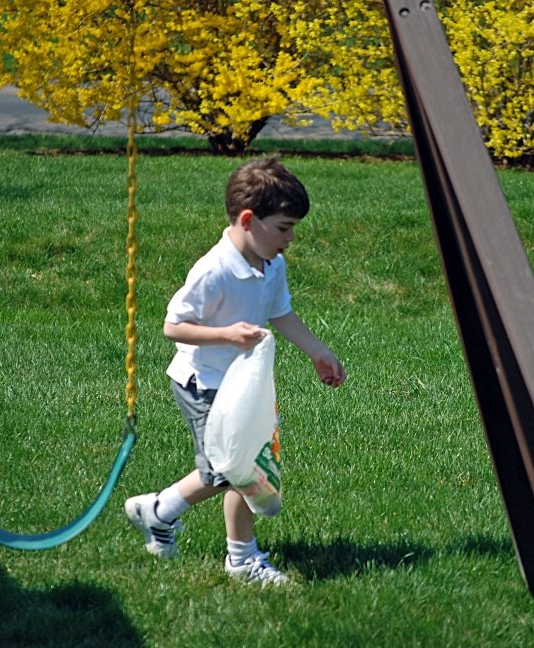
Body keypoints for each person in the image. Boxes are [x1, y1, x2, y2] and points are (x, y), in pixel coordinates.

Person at [125, 156, 346, 586]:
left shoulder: (272, 263)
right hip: (203, 383)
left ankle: (159, 512)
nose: (291, 238)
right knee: (237, 470)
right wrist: (226, 334)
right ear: (248, 220)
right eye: (284, 228)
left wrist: (317, 350)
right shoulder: (214, 270)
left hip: (243, 385)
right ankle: (240, 558)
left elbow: (281, 313)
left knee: (239, 468)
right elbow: (174, 326)